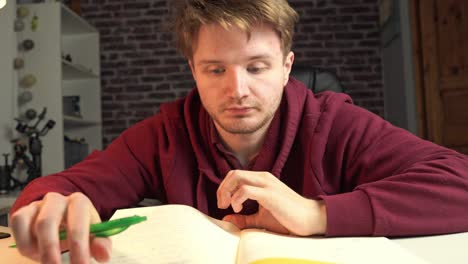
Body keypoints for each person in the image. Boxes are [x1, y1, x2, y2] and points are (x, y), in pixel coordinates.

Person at [10, 0, 468, 263]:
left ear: (288, 68)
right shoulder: (163, 134)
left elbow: (460, 181)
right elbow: (60, 191)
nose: (237, 90)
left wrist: (315, 214)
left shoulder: (336, 122)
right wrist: (46, 205)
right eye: (215, 69)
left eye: (257, 67)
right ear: (192, 69)